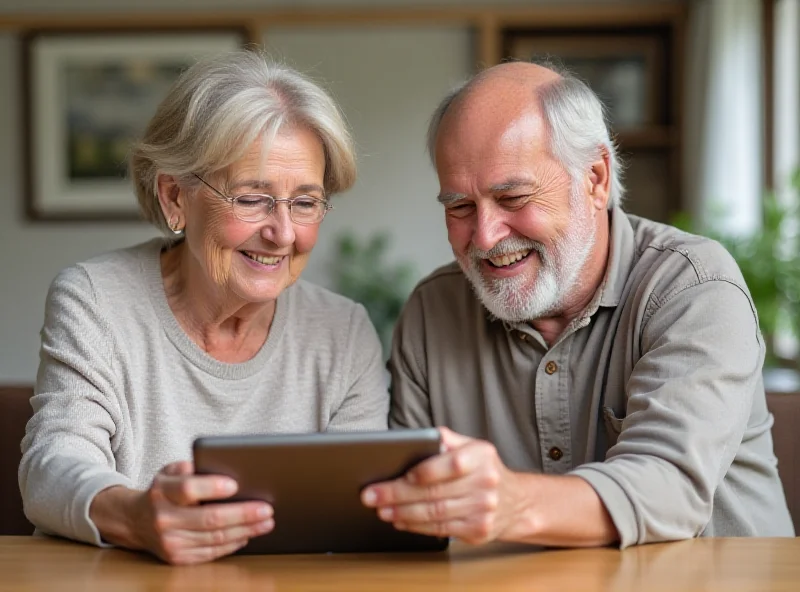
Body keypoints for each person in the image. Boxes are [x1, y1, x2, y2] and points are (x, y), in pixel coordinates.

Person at [361, 61, 795, 547]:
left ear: (594, 179)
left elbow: (668, 488)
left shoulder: (694, 286)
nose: (484, 236)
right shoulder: (433, 311)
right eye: (460, 207)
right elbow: (405, 513)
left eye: (513, 198)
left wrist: (511, 503)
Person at [19, 50, 388, 565]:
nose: (282, 233)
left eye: (305, 202)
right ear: (175, 197)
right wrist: (136, 517)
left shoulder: (343, 332)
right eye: (252, 197)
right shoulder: (96, 300)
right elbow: (52, 467)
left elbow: (354, 517)